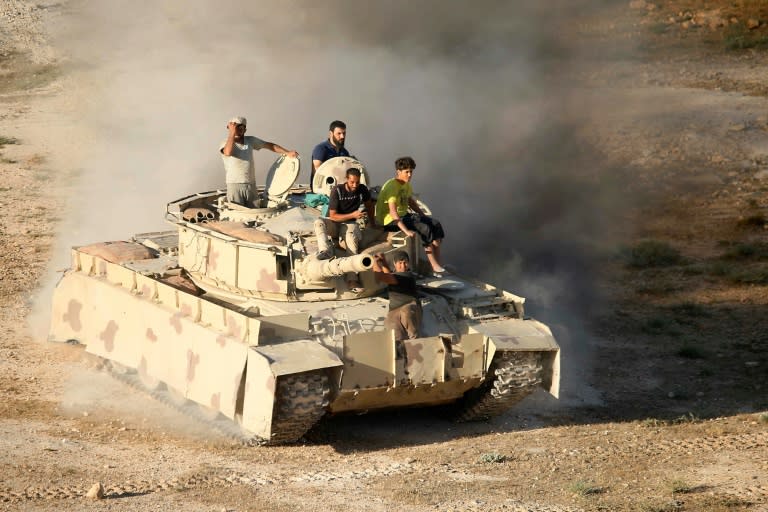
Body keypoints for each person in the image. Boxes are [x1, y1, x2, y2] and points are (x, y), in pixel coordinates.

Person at [375, 156, 446, 275]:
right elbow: (393, 213)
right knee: (424, 228)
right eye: (406, 172)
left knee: (435, 224)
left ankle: (438, 263)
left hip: (404, 215)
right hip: (389, 221)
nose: (409, 175)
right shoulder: (391, 187)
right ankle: (434, 265)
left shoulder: (406, 184)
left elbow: (410, 202)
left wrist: (424, 216)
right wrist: (406, 231)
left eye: (411, 172)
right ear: (398, 172)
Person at [314, 167, 376, 292]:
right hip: (337, 222)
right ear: (346, 180)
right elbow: (333, 215)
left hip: (350, 224)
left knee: (351, 240)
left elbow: (369, 206)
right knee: (319, 222)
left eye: (357, 182)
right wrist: (352, 214)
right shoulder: (337, 191)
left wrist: (372, 223)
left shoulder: (362, 189)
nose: (355, 185)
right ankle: (325, 251)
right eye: (352, 182)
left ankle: (352, 280)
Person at [220, 116, 299, 206]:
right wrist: (231, 134)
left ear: (245, 130)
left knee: (254, 211)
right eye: (234, 128)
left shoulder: (250, 141)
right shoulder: (225, 143)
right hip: (234, 185)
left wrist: (287, 152)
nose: (237, 131)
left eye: (240, 128)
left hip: (251, 185)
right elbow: (227, 152)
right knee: (237, 213)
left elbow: (270, 146)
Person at [373, 251, 422, 341]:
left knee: (406, 312)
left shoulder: (407, 276)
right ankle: (399, 349)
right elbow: (389, 275)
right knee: (391, 324)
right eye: (400, 263)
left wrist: (374, 262)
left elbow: (382, 277)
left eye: (405, 263)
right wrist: (383, 262)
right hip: (395, 310)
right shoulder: (396, 276)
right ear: (394, 264)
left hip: (411, 307)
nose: (403, 266)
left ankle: (415, 340)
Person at [310, 120, 350, 190]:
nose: (342, 136)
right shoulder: (321, 148)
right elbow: (317, 172)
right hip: (322, 190)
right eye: (339, 133)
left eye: (344, 133)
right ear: (331, 134)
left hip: (339, 190)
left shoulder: (344, 152)